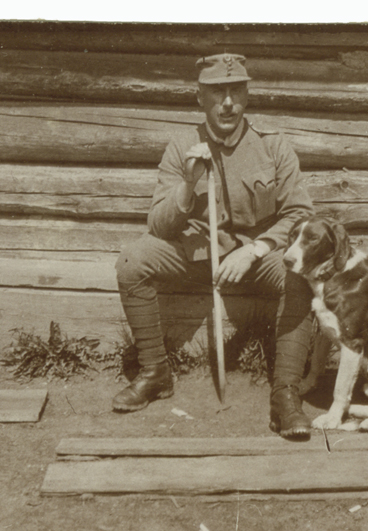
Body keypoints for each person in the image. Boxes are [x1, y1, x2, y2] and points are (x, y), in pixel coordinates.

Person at [112, 53, 315, 438]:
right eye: (217, 93)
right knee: (131, 261)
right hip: (195, 255)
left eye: (236, 91)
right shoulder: (182, 146)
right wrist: (187, 184)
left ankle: (285, 394)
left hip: (257, 258)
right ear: (199, 98)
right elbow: (158, 225)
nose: (228, 103)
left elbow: (300, 214)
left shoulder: (272, 146)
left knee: (299, 277)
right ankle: (155, 372)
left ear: (247, 96)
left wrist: (254, 250)